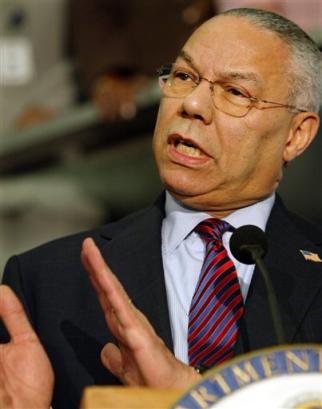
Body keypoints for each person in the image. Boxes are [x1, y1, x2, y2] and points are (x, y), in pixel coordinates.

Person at [0, 7, 322, 409]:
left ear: (296, 135)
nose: (192, 105)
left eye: (235, 92)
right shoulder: (45, 282)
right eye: (184, 77)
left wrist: (187, 399)